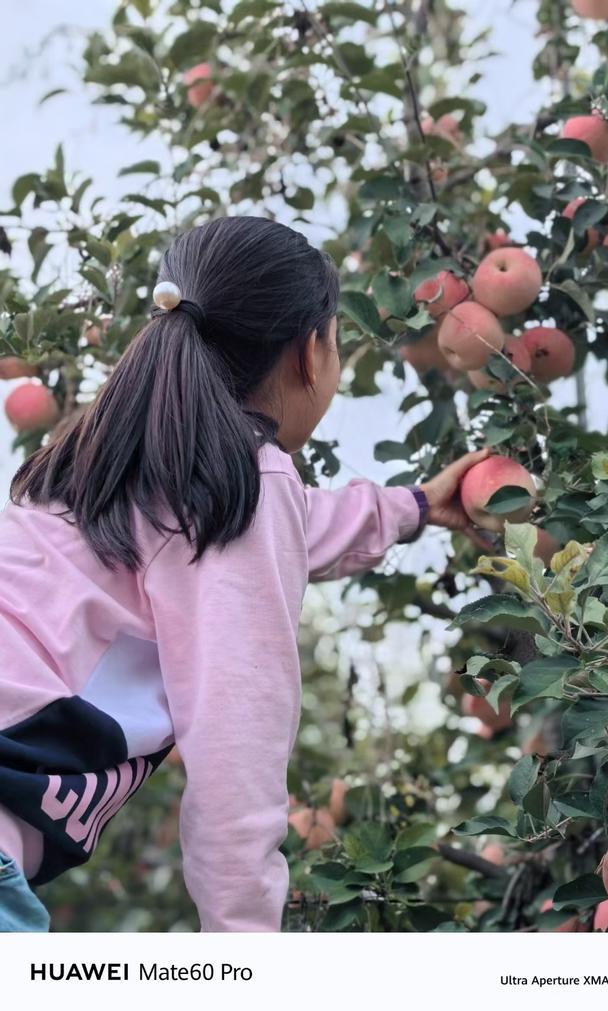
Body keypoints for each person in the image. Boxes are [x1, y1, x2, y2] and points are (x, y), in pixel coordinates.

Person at [0, 215, 489, 932]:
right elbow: (236, 763)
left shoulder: (109, 457)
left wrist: (415, 506)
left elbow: (277, 530)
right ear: (308, 351)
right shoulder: (244, 488)